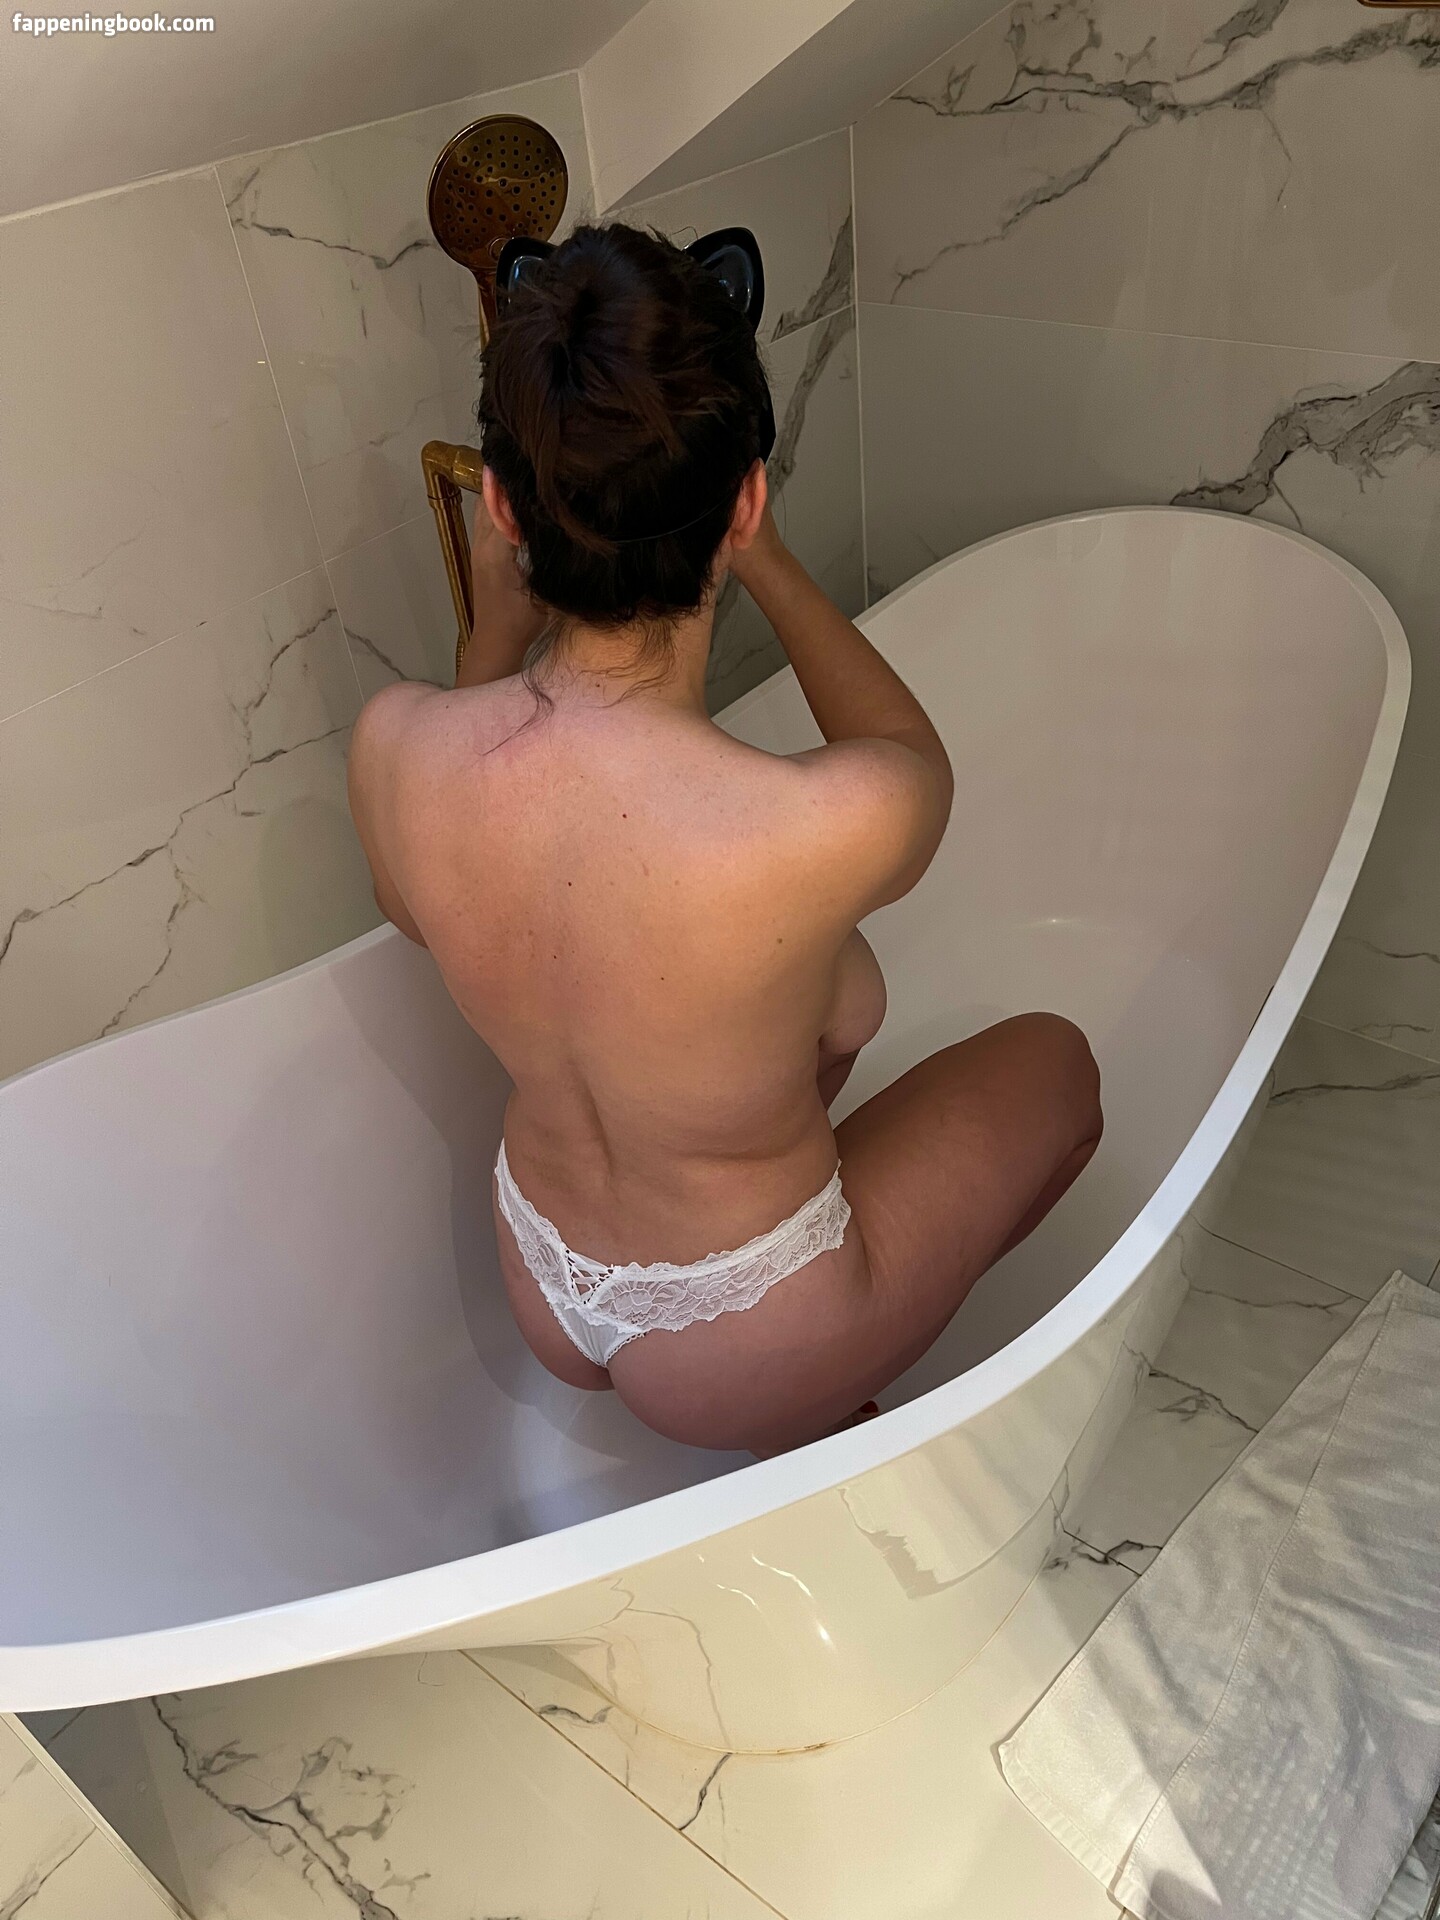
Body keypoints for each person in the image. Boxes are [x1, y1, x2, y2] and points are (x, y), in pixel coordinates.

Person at [347, 223, 1101, 1456]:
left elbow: (409, 908)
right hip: (743, 1334)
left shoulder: (393, 747)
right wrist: (773, 562)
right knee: (1060, 1069)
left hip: (540, 1266)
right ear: (744, 499)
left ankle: (787, 1370)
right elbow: (910, 755)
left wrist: (495, 627)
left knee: (833, 993)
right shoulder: (815, 822)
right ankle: (823, 1409)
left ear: (503, 508)